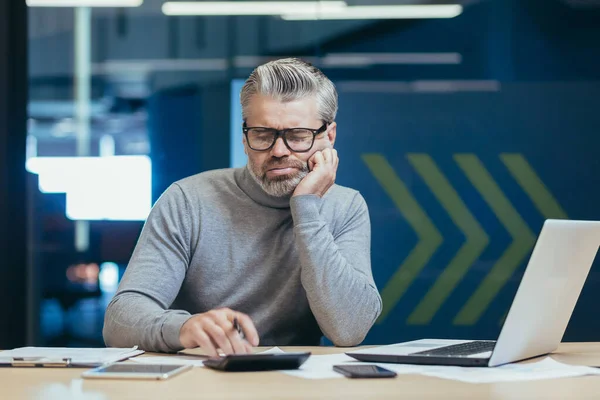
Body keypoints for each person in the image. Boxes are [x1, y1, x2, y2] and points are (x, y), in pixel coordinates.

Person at [103, 58, 382, 356]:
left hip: (295, 382)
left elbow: (350, 329)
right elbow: (120, 320)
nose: (278, 151)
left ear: (329, 136)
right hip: (200, 378)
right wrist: (184, 328)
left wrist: (306, 207)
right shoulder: (187, 200)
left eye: (298, 136)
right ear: (244, 136)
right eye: (262, 134)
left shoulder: (345, 206)